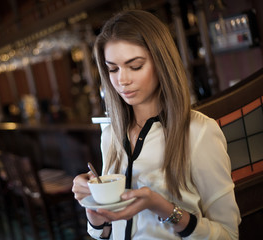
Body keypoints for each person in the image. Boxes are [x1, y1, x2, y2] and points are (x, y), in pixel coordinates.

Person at [72, 10, 241, 239]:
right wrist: (95, 211)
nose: (122, 80)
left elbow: (229, 234)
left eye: (135, 66)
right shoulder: (110, 135)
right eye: (113, 69)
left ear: (161, 63)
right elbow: (106, 234)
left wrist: (162, 207)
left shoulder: (198, 132)